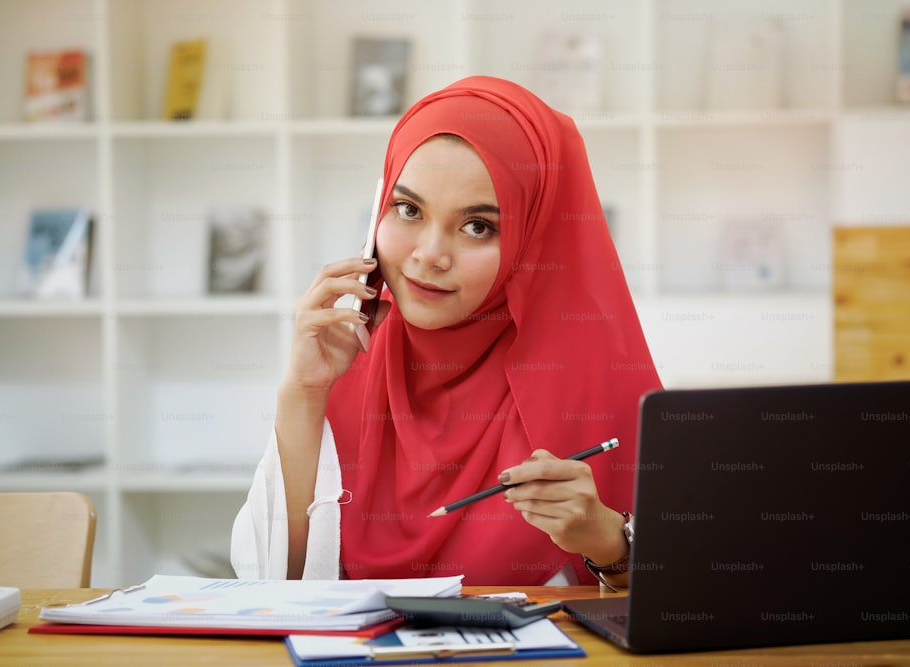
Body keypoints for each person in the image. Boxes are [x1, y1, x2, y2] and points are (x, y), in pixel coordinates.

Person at [231, 76, 662, 587]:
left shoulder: (596, 383)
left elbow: (684, 609)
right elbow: (278, 583)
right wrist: (303, 394)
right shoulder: (345, 356)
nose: (428, 255)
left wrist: (609, 543)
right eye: (408, 209)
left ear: (532, 238)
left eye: (478, 226)